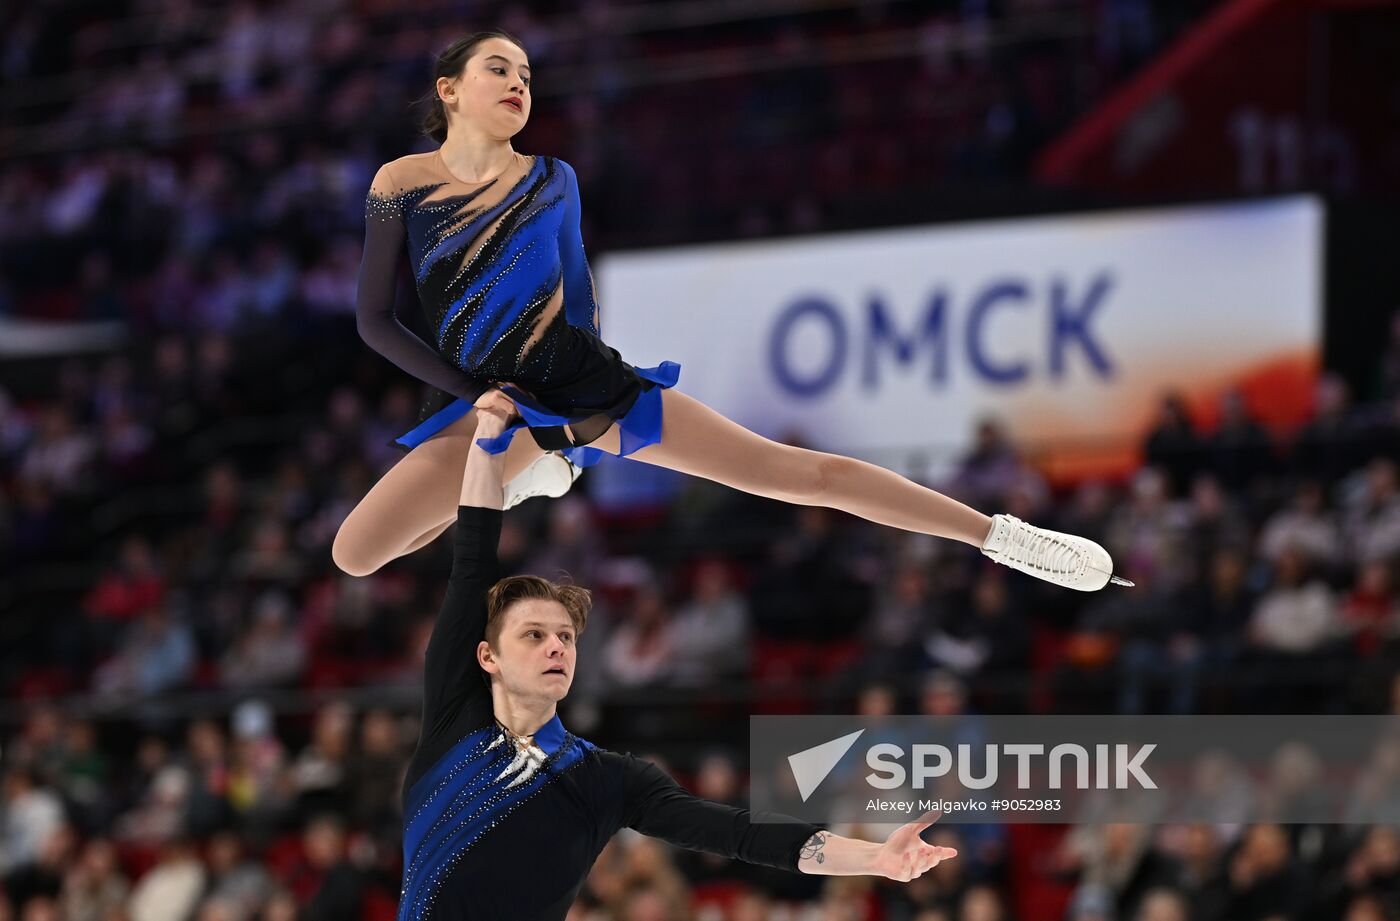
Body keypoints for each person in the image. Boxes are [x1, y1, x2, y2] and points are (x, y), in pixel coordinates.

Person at [335, 30, 1129, 594]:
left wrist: (587, 400)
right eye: (500, 69)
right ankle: (530, 476)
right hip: (489, 403)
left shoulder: (555, 177)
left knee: (800, 474)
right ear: (449, 90)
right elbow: (374, 318)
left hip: (585, 388)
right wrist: (478, 397)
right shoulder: (399, 185)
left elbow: (579, 297)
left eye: (529, 75)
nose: (519, 85)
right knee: (357, 553)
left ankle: (1002, 537)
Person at [396, 391, 958, 919]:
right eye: (534, 635)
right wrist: (489, 435)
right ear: (487, 657)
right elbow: (471, 558)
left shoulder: (605, 781)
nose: (556, 647)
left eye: (565, 636)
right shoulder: (454, 717)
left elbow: (740, 833)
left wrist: (875, 858)